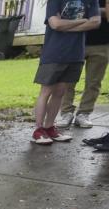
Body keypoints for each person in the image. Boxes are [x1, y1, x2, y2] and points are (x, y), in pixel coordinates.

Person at [32, 0, 101, 145]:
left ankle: (49, 127)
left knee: (60, 92)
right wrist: (83, 20)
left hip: (75, 53)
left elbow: (95, 22)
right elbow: (55, 24)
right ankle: (38, 130)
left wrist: (66, 25)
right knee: (46, 91)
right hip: (54, 53)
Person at [58, 0, 109, 128]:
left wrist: (88, 11)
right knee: (68, 80)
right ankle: (66, 113)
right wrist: (94, 12)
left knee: (94, 82)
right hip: (74, 40)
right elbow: (64, 12)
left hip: (102, 42)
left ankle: (84, 113)